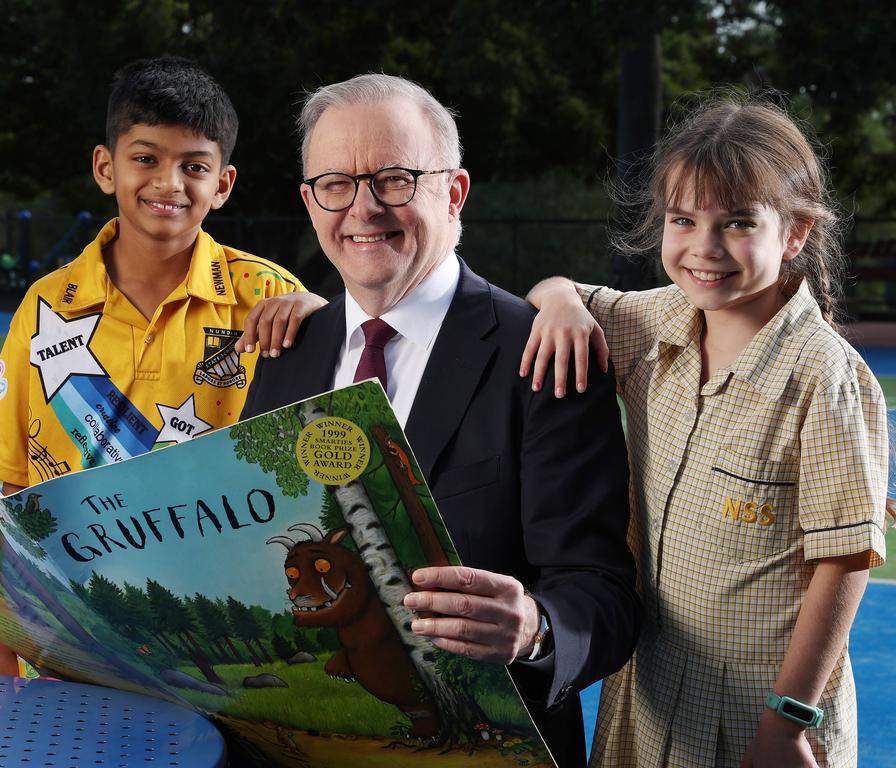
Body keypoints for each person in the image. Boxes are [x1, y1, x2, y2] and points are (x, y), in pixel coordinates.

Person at [238, 73, 642, 768]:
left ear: (453, 193)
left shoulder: (543, 353)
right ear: (310, 202)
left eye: (394, 179)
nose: (363, 208)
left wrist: (533, 629)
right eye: (336, 184)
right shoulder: (285, 353)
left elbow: (602, 594)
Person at [0, 56, 324, 675]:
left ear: (224, 184)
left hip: (212, 638)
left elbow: (318, 472)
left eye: (194, 167)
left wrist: (328, 320)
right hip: (70, 641)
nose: (168, 183)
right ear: (106, 167)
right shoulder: (47, 305)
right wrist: (1, 657)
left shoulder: (267, 296)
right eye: (146, 158)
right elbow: (11, 497)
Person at [522, 94, 891, 767]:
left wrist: (786, 722)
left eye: (738, 223)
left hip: (759, 712)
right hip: (650, 690)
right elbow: (555, 289)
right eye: (683, 219)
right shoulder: (651, 322)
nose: (704, 247)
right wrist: (559, 302)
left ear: (797, 234)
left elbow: (841, 564)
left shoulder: (822, 376)